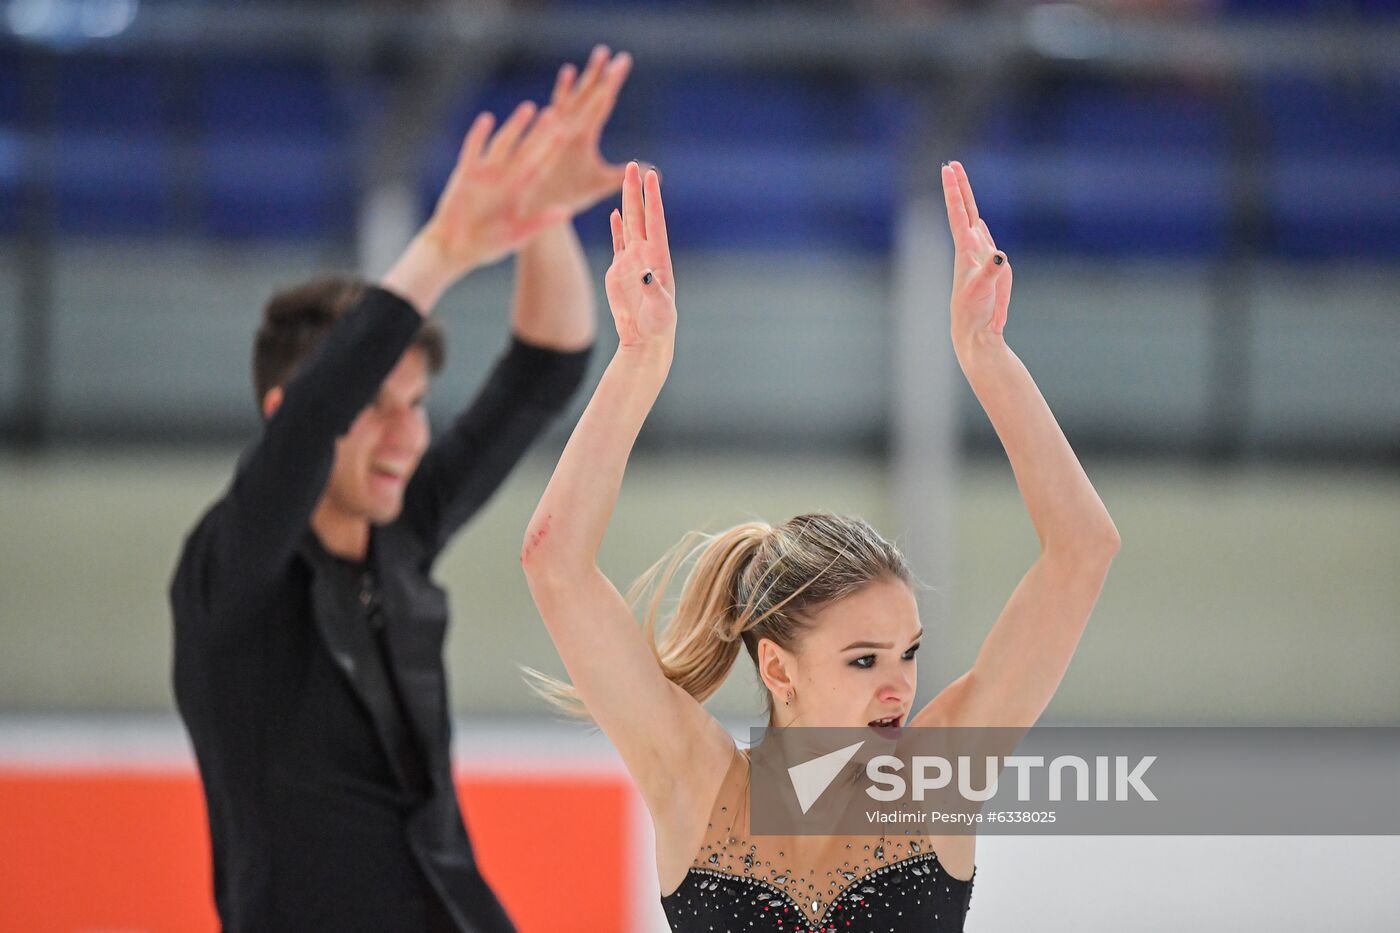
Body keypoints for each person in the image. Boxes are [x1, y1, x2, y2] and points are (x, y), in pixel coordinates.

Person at [519, 160, 1121, 931]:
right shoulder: (695, 783)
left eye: (907, 652)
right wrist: (639, 361)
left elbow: (1083, 550)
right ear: (778, 667)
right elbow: (554, 563)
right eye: (864, 658)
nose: (899, 686)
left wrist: (985, 353)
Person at [170, 47, 632, 933]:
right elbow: (312, 424)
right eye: (375, 407)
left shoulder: (401, 531)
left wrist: (537, 217)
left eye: (417, 405)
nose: (408, 434)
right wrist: (444, 249)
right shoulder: (229, 575)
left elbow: (545, 369)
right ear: (286, 410)